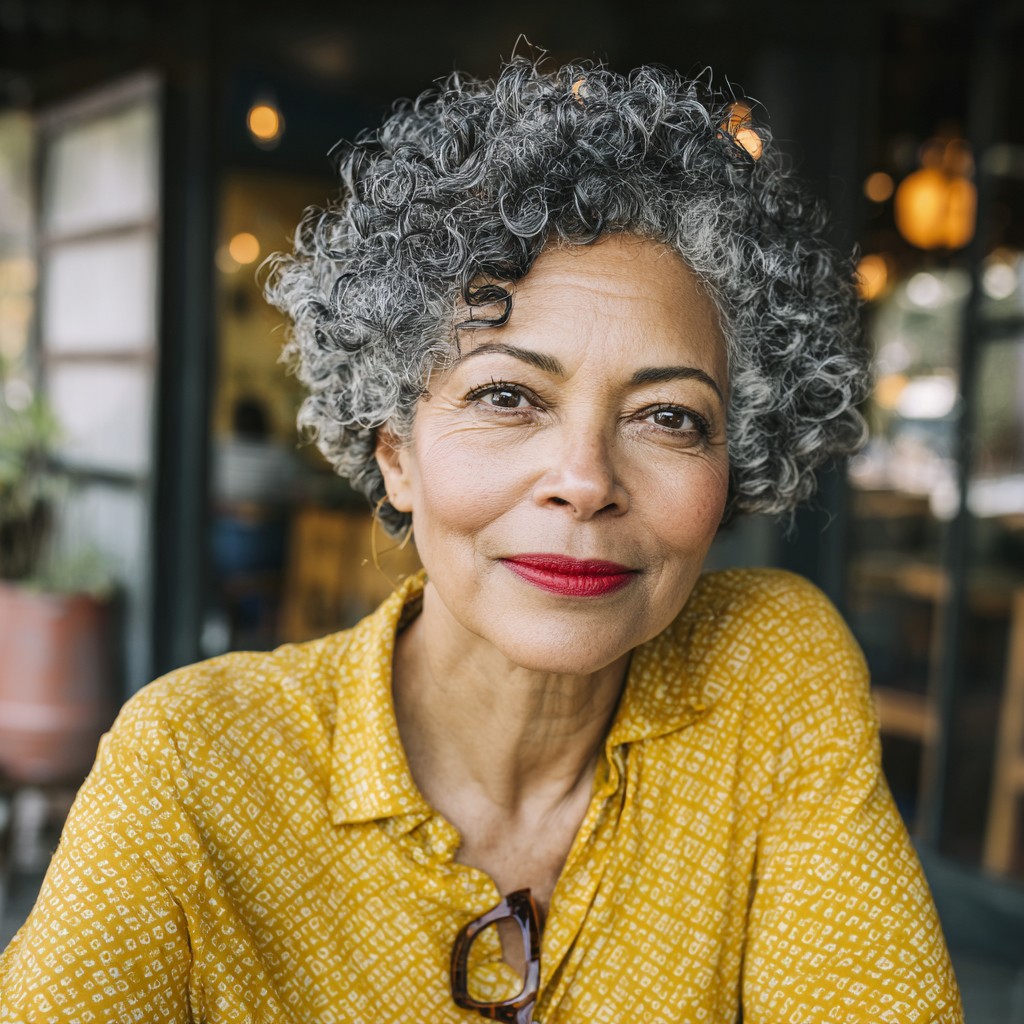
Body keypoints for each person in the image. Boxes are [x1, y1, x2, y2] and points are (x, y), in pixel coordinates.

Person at [0, 59, 962, 1023]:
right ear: (398, 457)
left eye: (669, 416)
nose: (585, 480)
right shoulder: (197, 764)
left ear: (733, 463)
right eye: (507, 397)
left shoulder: (768, 676)